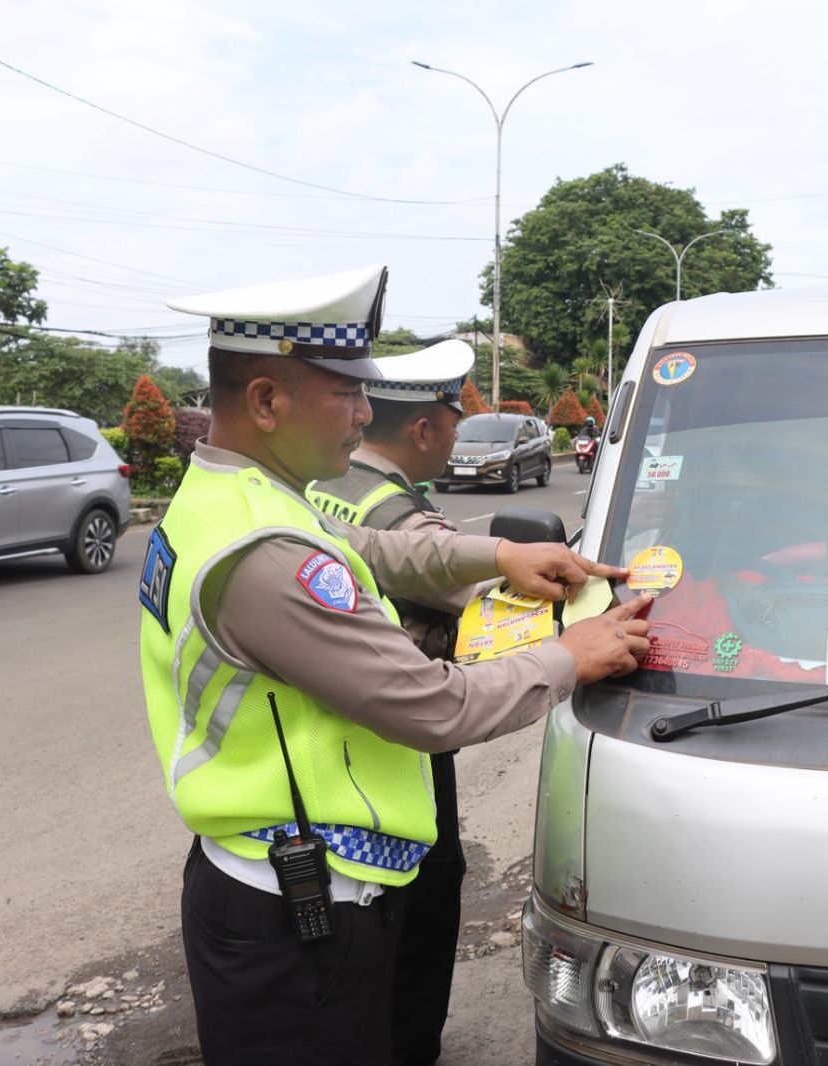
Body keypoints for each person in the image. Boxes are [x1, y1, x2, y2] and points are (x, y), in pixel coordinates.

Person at [138, 264, 651, 1066]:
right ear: (267, 401)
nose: (365, 413)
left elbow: (372, 549)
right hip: (298, 920)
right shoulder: (264, 553)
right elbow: (433, 707)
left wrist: (501, 555)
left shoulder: (240, 497)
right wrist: (569, 656)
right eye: (347, 392)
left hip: (282, 887)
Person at [305, 340, 479, 1066]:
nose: (460, 433)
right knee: (426, 885)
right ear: (423, 427)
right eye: (456, 420)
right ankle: (407, 1046)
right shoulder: (400, 513)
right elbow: (479, 601)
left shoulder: (324, 482)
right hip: (401, 725)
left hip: (323, 728)